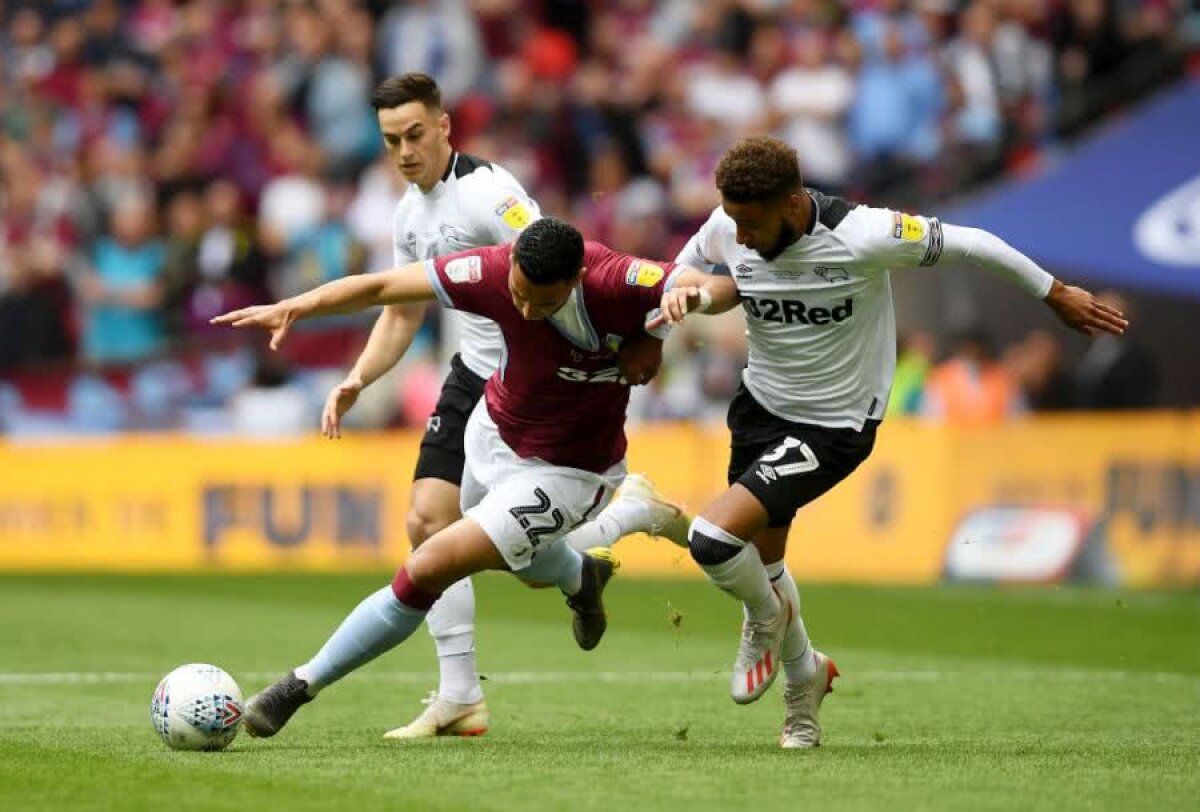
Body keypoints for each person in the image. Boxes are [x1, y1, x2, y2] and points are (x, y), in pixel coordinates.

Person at [652, 135, 1128, 749]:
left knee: (714, 541)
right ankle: (805, 689)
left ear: (794, 203)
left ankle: (762, 619)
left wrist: (1053, 293)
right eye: (734, 222)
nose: (739, 236)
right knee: (765, 563)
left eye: (753, 223)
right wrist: (674, 300)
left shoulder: (865, 234)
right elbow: (686, 272)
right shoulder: (730, 222)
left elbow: (972, 243)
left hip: (836, 425)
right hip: (760, 409)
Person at [212, 217, 694, 740]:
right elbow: (381, 286)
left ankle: (297, 686)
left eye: (543, 302)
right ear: (509, 263)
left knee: (430, 562)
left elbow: (706, 283)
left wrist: (663, 330)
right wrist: (299, 306)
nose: (527, 311)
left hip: (570, 473)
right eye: (519, 296)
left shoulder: (611, 279)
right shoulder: (487, 270)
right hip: (491, 436)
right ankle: (585, 572)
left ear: (575, 279)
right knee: (531, 569)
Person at [320, 73, 686, 739]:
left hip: (529, 378)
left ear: (444, 127)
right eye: (390, 140)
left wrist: (637, 338)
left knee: (494, 548)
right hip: (470, 376)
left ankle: (589, 556)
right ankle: (462, 695)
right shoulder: (409, 214)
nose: (403, 151)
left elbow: (553, 260)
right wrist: (360, 377)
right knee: (427, 526)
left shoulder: (490, 193)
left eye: (414, 135)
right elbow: (401, 315)